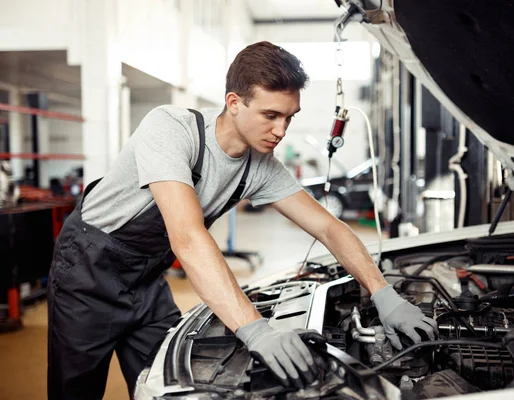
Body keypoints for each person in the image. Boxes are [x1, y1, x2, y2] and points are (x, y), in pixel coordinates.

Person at [47, 41, 437, 399]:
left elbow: (329, 227)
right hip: (87, 274)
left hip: (147, 282)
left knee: (174, 386)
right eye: (270, 115)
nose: (281, 130)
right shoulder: (171, 129)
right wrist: (253, 328)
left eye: (289, 117)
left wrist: (384, 294)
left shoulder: (260, 167)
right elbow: (186, 237)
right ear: (234, 102)